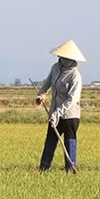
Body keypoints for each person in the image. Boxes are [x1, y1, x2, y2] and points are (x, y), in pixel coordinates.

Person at [35, 40, 86, 172]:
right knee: (50, 141)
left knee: (70, 143)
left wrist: (58, 113)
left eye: (63, 57)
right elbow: (48, 82)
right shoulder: (55, 68)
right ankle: (43, 169)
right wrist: (41, 94)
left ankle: (70, 169)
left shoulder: (75, 75)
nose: (60, 59)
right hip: (54, 113)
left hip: (70, 115)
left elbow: (72, 99)